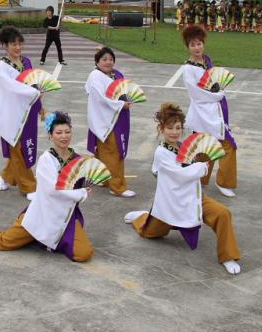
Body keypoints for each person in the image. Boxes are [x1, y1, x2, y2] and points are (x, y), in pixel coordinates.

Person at [0, 111, 94, 262]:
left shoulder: (78, 160)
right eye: (59, 132)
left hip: (66, 217)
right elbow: (53, 189)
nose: (64, 136)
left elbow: (80, 184)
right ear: (50, 136)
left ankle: (43, 239)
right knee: (4, 242)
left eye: (67, 132)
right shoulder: (46, 160)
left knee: (83, 254)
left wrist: (87, 184)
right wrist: (81, 193)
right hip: (41, 214)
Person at [124, 103, 241, 275]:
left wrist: (202, 165)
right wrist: (201, 168)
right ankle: (142, 216)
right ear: (161, 128)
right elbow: (178, 175)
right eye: (169, 127)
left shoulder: (187, 146)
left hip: (193, 198)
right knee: (150, 233)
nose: (174, 132)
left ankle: (228, 256)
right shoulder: (161, 152)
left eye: (178, 127)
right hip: (170, 203)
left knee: (223, 214)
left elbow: (193, 171)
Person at [181, 25, 238, 197]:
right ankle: (200, 178)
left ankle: (223, 182)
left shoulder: (207, 61)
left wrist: (218, 94)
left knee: (226, 145)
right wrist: (218, 95)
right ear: (188, 47)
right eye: (192, 44)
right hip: (202, 112)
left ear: (203, 44)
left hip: (215, 111)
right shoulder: (188, 68)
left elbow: (214, 83)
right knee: (207, 147)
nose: (196, 47)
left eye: (199, 43)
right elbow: (196, 94)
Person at [0, 26, 43, 197]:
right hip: (11, 113)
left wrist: (40, 104)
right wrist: (32, 92)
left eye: (20, 44)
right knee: (18, 148)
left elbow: (34, 83)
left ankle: (6, 176)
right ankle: (29, 187)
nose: (18, 47)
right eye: (13, 44)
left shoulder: (27, 62)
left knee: (23, 147)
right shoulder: (1, 66)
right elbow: (10, 86)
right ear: (5, 45)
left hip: (27, 110)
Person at [85, 47, 136, 198]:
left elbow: (124, 91)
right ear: (97, 61)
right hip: (104, 119)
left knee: (103, 151)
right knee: (113, 151)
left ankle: (103, 178)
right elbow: (101, 98)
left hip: (117, 118)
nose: (108, 62)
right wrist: (121, 104)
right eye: (104, 59)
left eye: (111, 59)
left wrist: (125, 101)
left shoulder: (117, 74)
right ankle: (117, 186)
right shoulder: (95, 76)